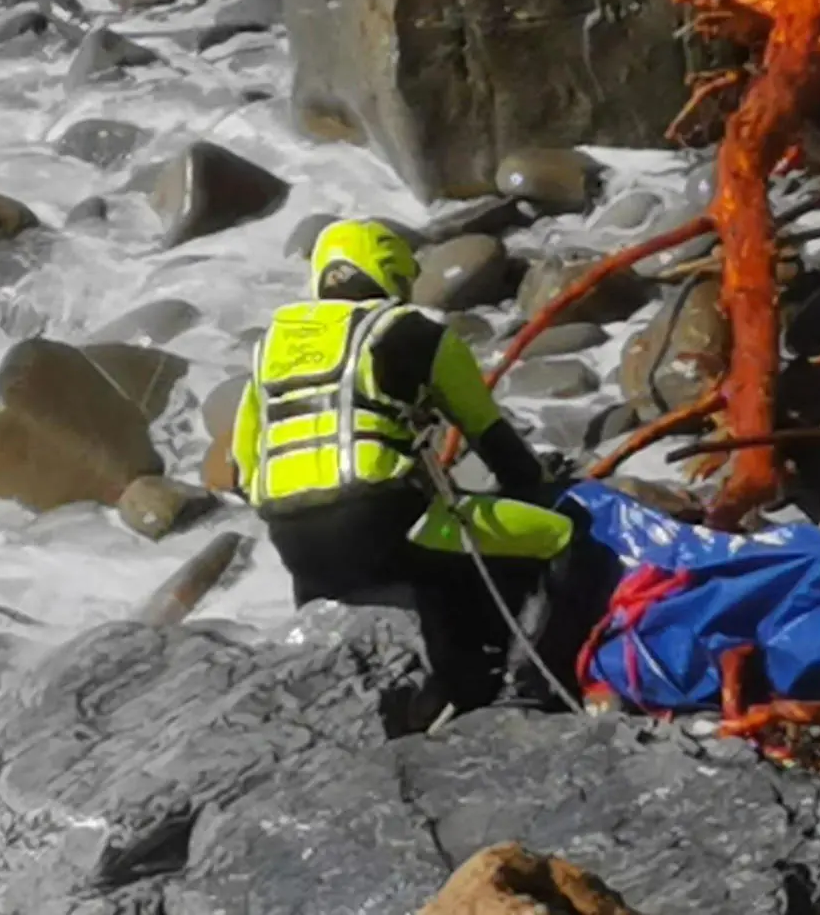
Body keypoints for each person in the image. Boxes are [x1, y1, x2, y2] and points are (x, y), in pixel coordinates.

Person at [229, 218, 592, 716]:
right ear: (389, 274)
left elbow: (241, 470)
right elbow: (496, 442)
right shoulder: (414, 333)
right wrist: (538, 491)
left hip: (295, 545)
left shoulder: (267, 348)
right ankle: (543, 685)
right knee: (561, 536)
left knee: (435, 554)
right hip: (385, 527)